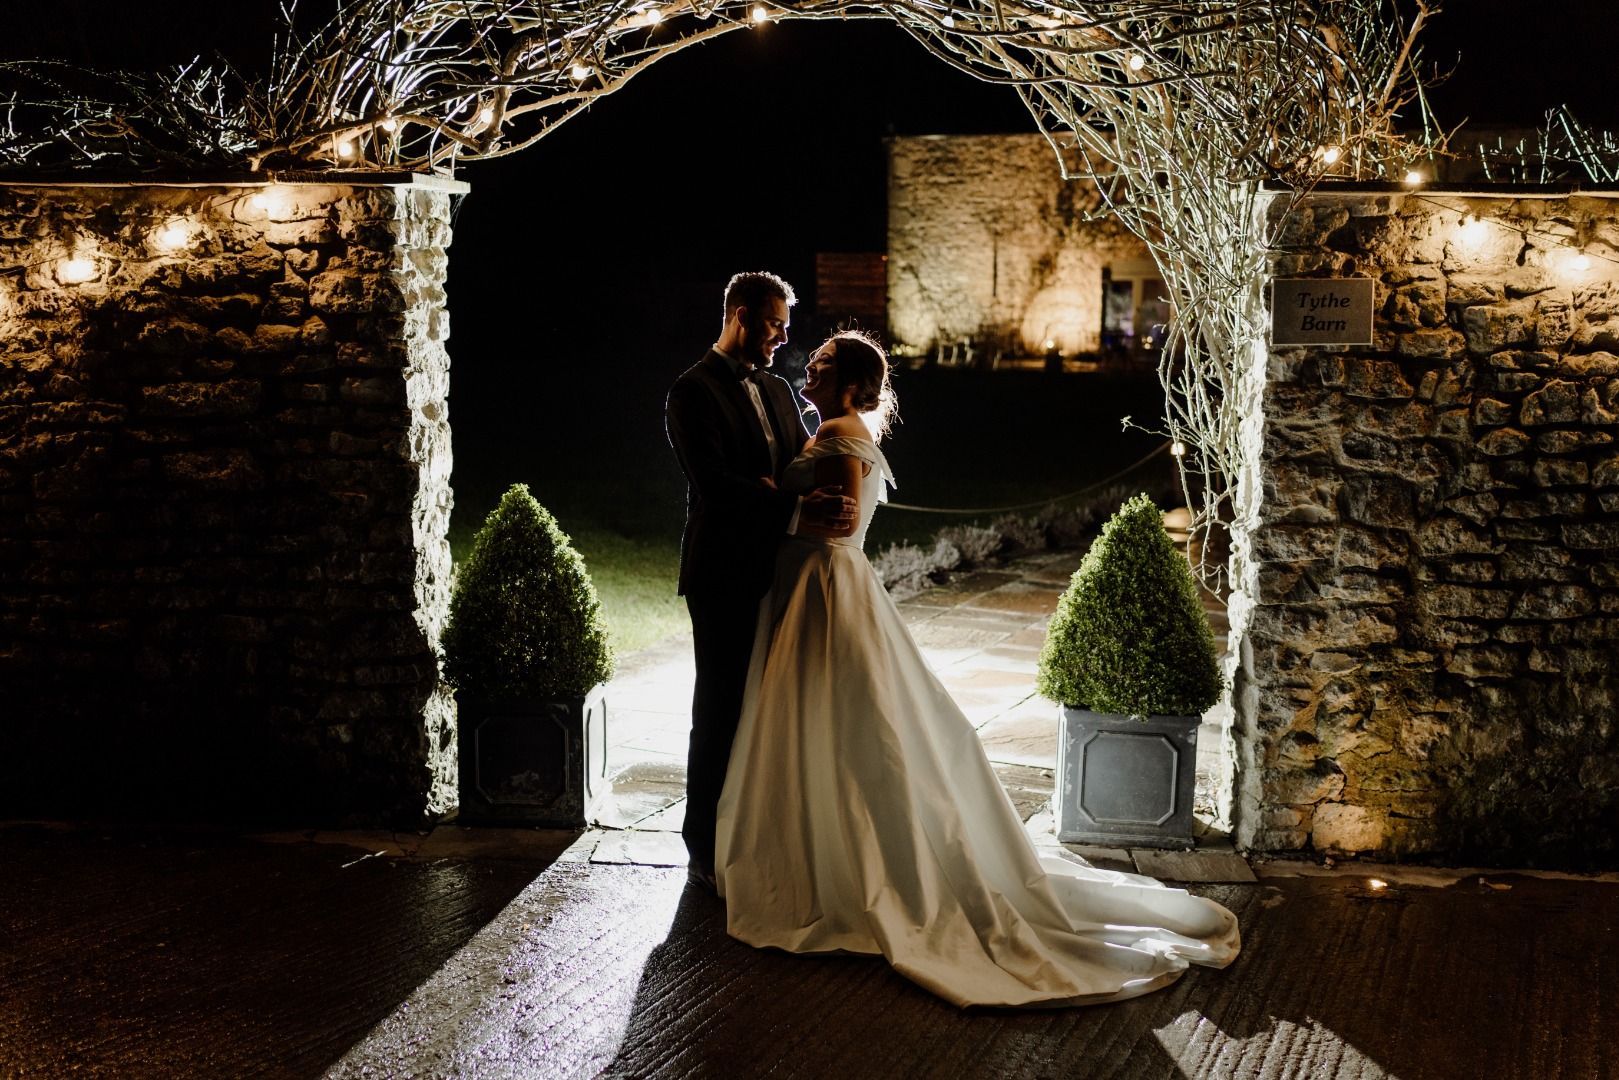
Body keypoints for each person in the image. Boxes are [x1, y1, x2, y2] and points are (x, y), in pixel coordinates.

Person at [713, 329, 1241, 1008]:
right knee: (821, 720)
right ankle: (815, 857)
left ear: (847, 383)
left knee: (835, 720)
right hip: (811, 587)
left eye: (818, 364)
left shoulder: (841, 435)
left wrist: (776, 509)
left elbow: (839, 529)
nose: (806, 369)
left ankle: (840, 871)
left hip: (824, 586)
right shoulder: (833, 428)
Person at [665, 272, 857, 891]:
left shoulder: (777, 390)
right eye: (774, 324)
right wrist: (789, 507)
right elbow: (716, 485)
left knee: (765, 709)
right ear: (741, 316)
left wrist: (798, 492)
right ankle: (702, 844)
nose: (782, 337)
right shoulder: (691, 392)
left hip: (779, 573)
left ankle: (751, 831)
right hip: (721, 573)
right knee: (718, 707)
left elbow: (796, 466)